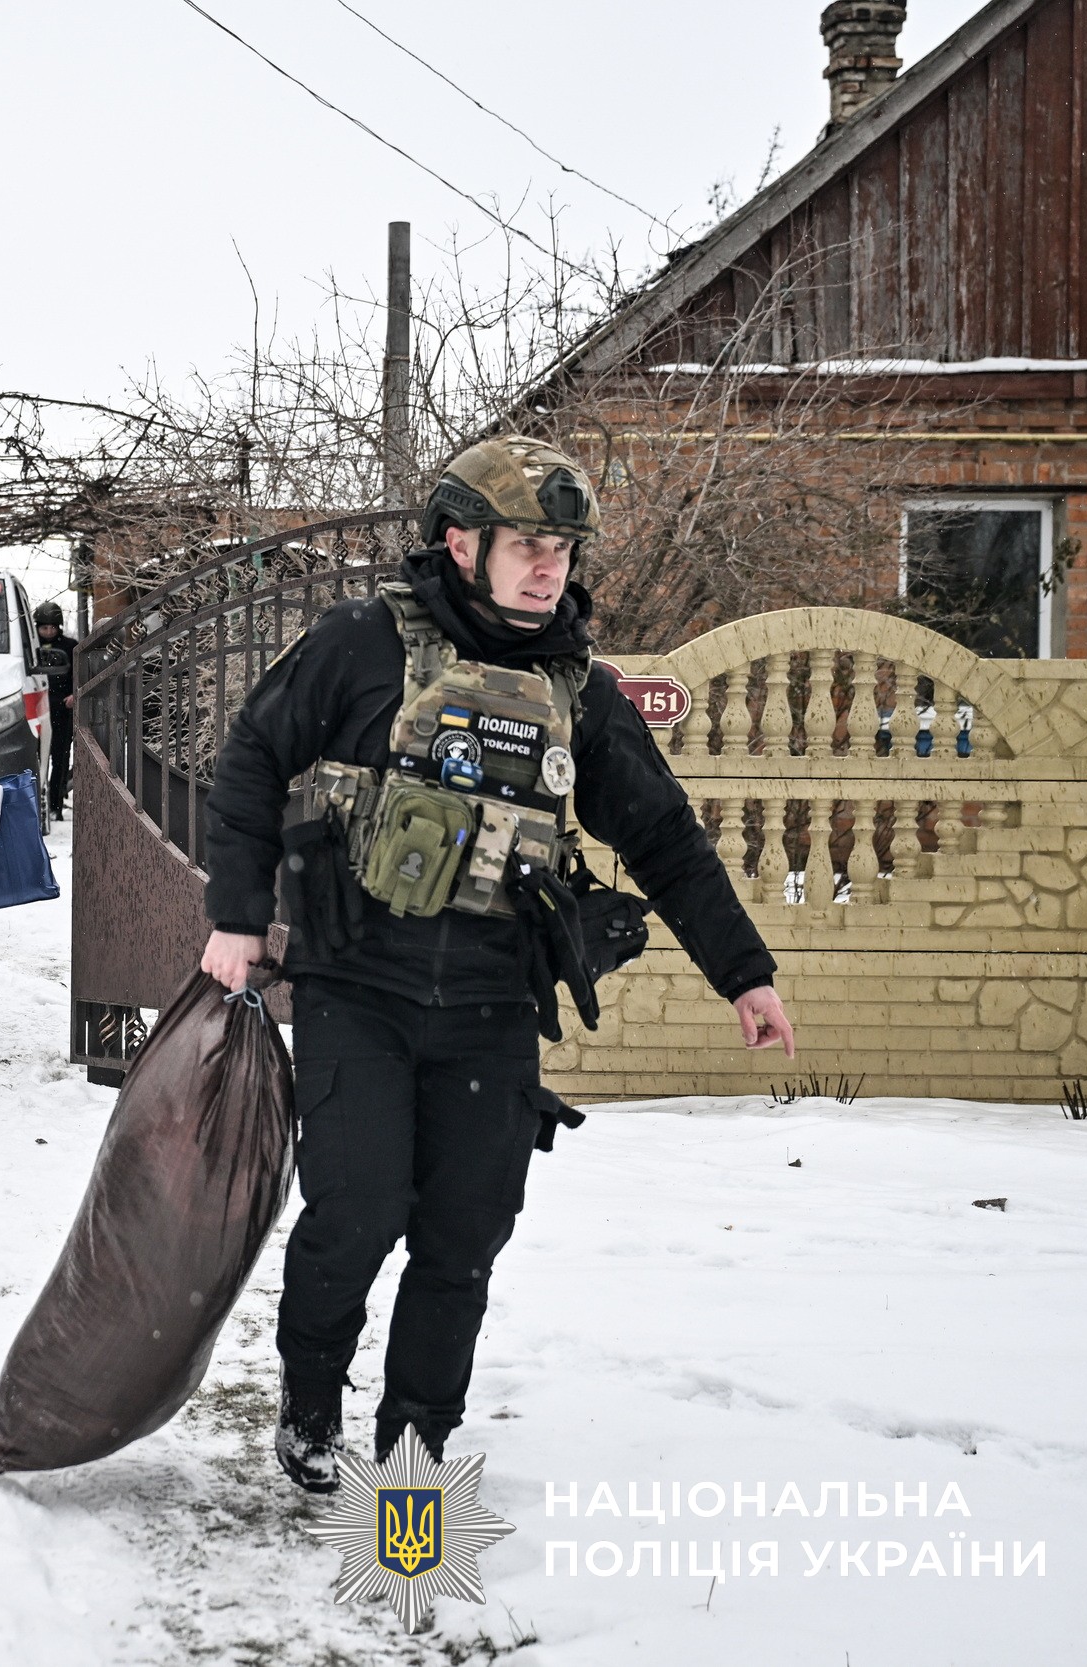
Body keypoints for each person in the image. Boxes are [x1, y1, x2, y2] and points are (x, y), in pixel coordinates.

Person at [195, 435, 797, 1493]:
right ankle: (310, 1398)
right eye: (527, 543)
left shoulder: (578, 690)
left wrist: (743, 971)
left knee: (463, 1236)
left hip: (491, 1005)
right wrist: (238, 916)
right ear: (460, 542)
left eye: (562, 547)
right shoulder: (362, 644)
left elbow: (664, 837)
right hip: (358, 986)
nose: (548, 566)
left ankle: (414, 1450)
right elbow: (252, 755)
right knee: (357, 1214)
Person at [32, 600, 76, 820]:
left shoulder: (71, 646)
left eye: (52, 627)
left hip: (62, 709)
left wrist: (75, 695)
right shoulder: (30, 647)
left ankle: (55, 804)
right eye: (44, 627)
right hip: (36, 708)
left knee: (60, 757)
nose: (48, 632)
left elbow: (80, 674)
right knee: (37, 758)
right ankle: (36, 802)